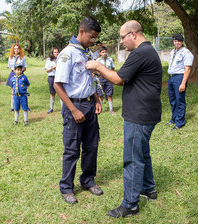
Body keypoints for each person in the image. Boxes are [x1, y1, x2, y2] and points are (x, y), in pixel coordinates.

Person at [86, 20, 162, 218]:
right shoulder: (148, 51)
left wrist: (97, 66)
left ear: (133, 34)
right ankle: (148, 188)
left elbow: (119, 79)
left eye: (122, 37)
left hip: (140, 115)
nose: (121, 42)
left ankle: (130, 204)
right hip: (146, 113)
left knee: (132, 159)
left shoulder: (140, 53)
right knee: (143, 153)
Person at [54, 17, 103, 204]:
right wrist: (73, 109)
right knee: (72, 149)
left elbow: (89, 78)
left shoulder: (85, 53)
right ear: (81, 32)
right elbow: (58, 85)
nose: (93, 41)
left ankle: (87, 180)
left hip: (90, 105)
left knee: (91, 146)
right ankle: (66, 187)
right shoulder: (68, 54)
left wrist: (96, 99)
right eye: (91, 37)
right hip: (74, 106)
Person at [167, 34, 193, 130]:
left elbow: (187, 69)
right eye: (175, 41)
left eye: (178, 41)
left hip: (179, 78)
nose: (176, 43)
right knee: (172, 99)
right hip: (171, 77)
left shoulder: (186, 53)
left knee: (179, 100)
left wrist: (183, 83)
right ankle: (174, 118)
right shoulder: (173, 51)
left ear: (182, 42)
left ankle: (180, 122)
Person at [6, 44, 28, 112]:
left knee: (21, 90)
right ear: (13, 49)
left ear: (19, 49)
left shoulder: (22, 57)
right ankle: (12, 106)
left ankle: (24, 105)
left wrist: (20, 72)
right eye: (15, 49)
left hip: (20, 75)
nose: (16, 50)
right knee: (13, 91)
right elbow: (9, 66)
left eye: (17, 49)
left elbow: (25, 67)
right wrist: (15, 72)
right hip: (13, 74)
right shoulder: (10, 57)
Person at [96, 46, 116, 114]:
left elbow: (113, 68)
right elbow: (95, 69)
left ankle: (111, 110)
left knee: (109, 94)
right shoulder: (98, 60)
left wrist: (112, 75)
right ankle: (100, 109)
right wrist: (99, 74)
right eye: (103, 52)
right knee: (100, 95)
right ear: (100, 53)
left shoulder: (110, 59)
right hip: (101, 79)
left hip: (109, 79)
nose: (104, 53)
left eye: (105, 52)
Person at [45, 47, 60, 113]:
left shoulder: (60, 59)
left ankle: (63, 109)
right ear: (52, 53)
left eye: (57, 52)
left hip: (58, 77)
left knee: (60, 93)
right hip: (51, 77)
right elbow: (47, 70)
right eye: (55, 52)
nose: (56, 53)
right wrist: (52, 68)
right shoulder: (49, 60)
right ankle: (51, 108)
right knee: (52, 93)